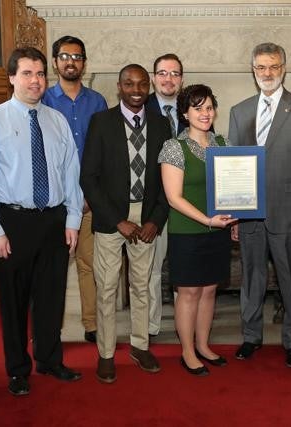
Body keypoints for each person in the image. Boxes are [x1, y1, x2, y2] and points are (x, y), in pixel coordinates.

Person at [0, 47, 84, 396]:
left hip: (53, 221)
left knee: (52, 298)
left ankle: (50, 360)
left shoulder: (57, 121)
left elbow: (70, 174)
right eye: (27, 74)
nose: (35, 81)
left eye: (39, 74)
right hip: (12, 223)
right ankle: (18, 370)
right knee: (14, 301)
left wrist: (73, 219)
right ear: (11, 78)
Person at [229, 42, 291, 368]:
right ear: (253, 70)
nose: (267, 73)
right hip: (250, 215)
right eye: (261, 67)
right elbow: (234, 166)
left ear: (283, 68)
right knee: (250, 279)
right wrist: (235, 217)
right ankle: (251, 337)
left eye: (273, 67)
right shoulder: (239, 111)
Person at [80, 64, 171, 384]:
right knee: (105, 290)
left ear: (149, 87)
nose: (136, 89)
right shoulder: (101, 122)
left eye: (142, 83)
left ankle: (140, 345)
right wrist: (116, 220)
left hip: (145, 220)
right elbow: (88, 178)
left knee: (143, 286)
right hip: (110, 221)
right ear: (119, 87)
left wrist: (155, 220)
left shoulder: (162, 125)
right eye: (129, 84)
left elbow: (167, 179)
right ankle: (105, 354)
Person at [159, 84, 236, 376]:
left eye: (209, 107)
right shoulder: (173, 147)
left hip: (218, 231)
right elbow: (173, 198)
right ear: (184, 113)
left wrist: (236, 217)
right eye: (197, 108)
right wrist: (206, 220)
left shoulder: (224, 144)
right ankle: (188, 351)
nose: (205, 113)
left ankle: (203, 346)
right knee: (189, 292)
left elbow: (232, 190)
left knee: (209, 290)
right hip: (187, 232)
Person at [42, 35, 108, 344]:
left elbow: (106, 152)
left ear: (84, 63)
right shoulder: (42, 100)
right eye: (65, 56)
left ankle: (92, 324)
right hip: (52, 201)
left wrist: (89, 198)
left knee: (88, 264)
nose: (71, 61)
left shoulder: (97, 102)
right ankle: (48, 329)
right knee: (50, 267)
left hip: (88, 201)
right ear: (55, 62)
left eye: (77, 56)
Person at [145, 53, 185, 337]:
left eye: (174, 73)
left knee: (185, 270)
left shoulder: (193, 107)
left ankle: (187, 326)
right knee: (151, 270)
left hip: (186, 205)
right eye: (162, 73)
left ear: (181, 79)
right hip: (152, 205)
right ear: (153, 77)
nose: (168, 79)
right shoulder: (137, 108)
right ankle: (150, 327)